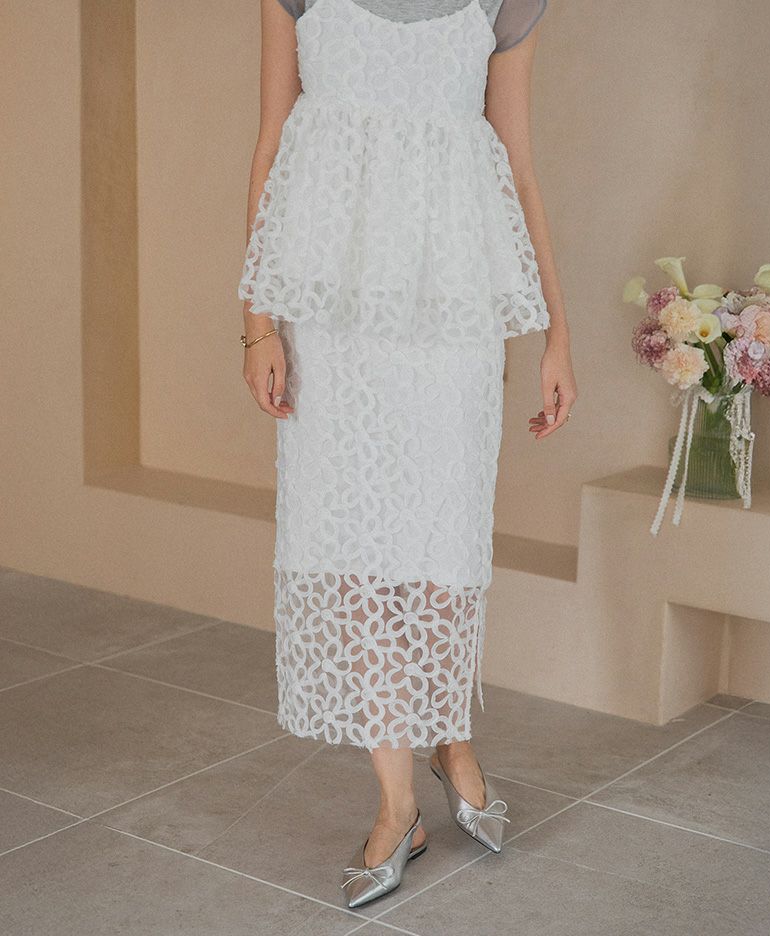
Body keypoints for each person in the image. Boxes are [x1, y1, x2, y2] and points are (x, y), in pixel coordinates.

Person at [237, 0, 576, 909]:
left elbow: (517, 165)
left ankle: (449, 736)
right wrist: (257, 322)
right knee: (352, 544)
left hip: (454, 300)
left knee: (442, 541)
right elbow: (272, 142)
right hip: (330, 303)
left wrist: (556, 333)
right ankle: (397, 805)